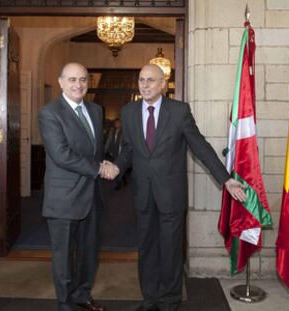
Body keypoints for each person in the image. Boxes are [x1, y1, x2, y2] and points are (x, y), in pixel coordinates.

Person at [101, 64, 246, 311]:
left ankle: (169, 301)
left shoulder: (179, 112)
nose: (144, 85)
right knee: (146, 248)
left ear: (163, 85)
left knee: (170, 249)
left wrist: (225, 178)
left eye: (150, 80)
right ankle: (150, 299)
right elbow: (128, 149)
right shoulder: (128, 112)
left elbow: (199, 146)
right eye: (141, 80)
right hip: (142, 194)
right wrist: (117, 167)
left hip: (171, 194)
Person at [38, 62, 110, 311]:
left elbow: (95, 150)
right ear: (60, 82)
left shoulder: (95, 110)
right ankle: (65, 303)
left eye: (83, 79)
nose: (78, 84)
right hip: (64, 198)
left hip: (92, 195)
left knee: (89, 253)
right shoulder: (50, 112)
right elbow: (61, 154)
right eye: (72, 79)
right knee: (64, 258)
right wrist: (99, 168)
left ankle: (82, 296)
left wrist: (106, 163)